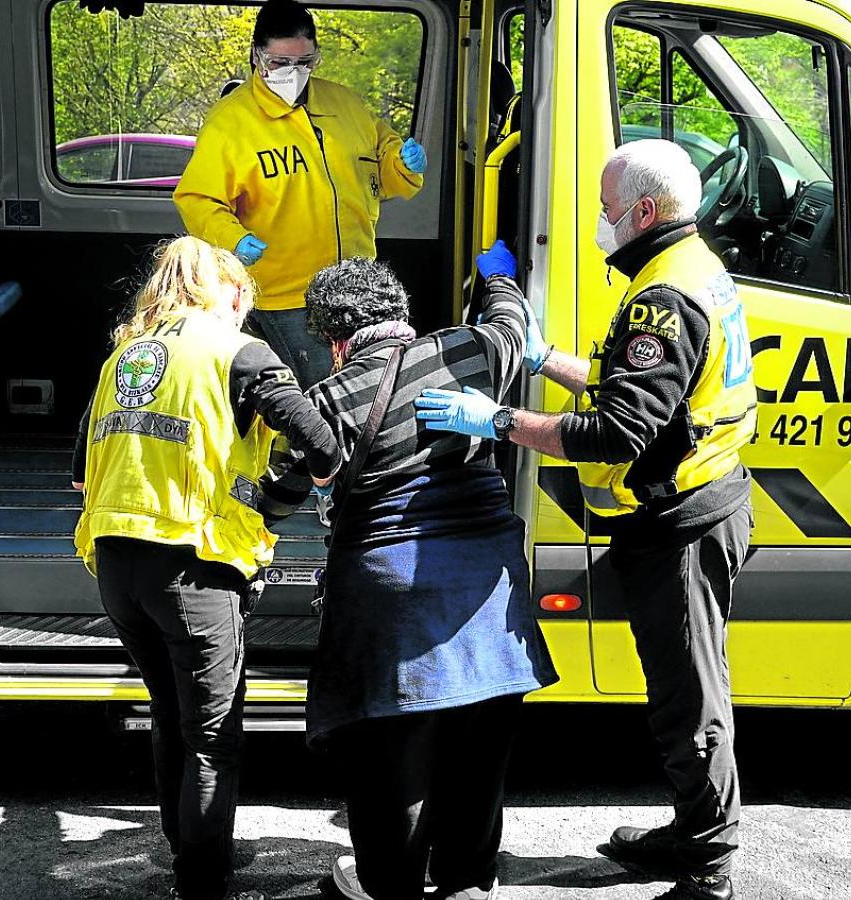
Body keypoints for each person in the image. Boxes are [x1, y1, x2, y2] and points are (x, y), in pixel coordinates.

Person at [415, 139, 757, 900]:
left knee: (690, 700)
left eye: (607, 209)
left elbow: (615, 431)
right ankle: (692, 834)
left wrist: (498, 421)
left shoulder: (663, 299)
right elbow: (630, 386)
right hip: (698, 505)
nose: (601, 221)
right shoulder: (691, 266)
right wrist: (545, 359)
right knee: (685, 689)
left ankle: (708, 867)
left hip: (680, 524)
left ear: (644, 211)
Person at [259, 252, 558, 900]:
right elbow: (512, 323)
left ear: (335, 339)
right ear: (399, 311)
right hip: (487, 599)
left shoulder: (328, 399)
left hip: (389, 605)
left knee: (392, 768)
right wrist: (497, 277)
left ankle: (391, 886)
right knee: (478, 760)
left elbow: (276, 497)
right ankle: (467, 883)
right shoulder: (472, 350)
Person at [72, 235, 341, 900]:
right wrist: (283, 499)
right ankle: (202, 879)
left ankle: (185, 850)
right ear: (230, 291)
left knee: (169, 714)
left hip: (116, 563)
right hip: (195, 564)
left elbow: (80, 470)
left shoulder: (124, 357)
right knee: (213, 736)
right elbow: (320, 443)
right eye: (244, 295)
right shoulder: (238, 351)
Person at [174, 0, 427, 389]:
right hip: (288, 296)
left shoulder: (347, 106)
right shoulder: (231, 122)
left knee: (371, 390)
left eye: (305, 62)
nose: (293, 72)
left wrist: (404, 165)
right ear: (257, 56)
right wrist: (233, 239)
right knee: (321, 395)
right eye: (279, 62)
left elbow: (383, 168)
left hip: (357, 286)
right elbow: (198, 198)